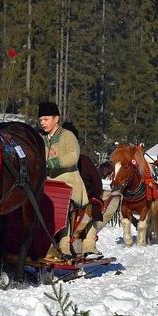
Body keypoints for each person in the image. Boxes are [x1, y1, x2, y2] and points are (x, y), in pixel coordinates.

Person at [38, 102, 88, 259]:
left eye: (46, 119)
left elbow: (73, 156)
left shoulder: (68, 136)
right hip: (46, 184)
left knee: (61, 205)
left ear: (56, 119)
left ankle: (64, 242)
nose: (42, 122)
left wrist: (50, 163)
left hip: (68, 184)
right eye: (40, 120)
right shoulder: (40, 138)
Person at [62, 121, 104, 259]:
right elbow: (97, 185)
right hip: (73, 201)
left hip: (65, 200)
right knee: (94, 208)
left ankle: (86, 245)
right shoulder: (84, 161)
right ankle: (88, 245)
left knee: (92, 207)